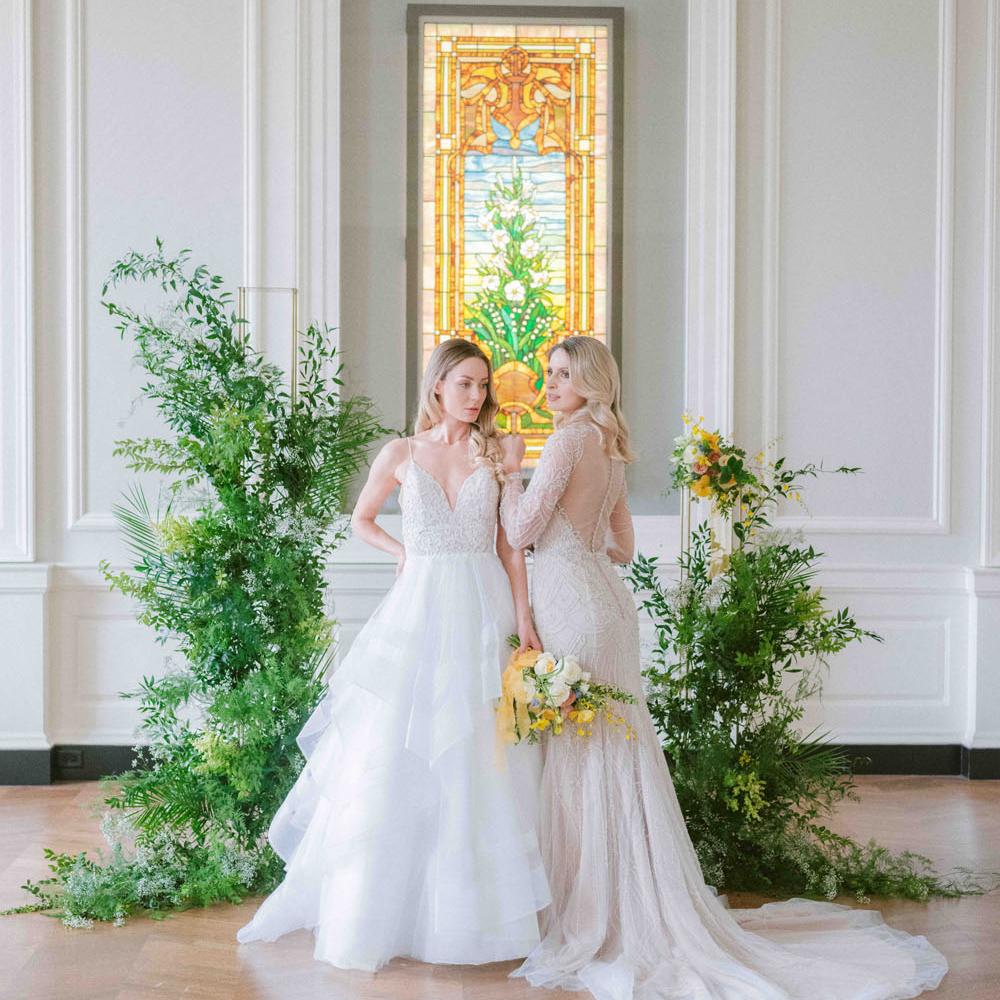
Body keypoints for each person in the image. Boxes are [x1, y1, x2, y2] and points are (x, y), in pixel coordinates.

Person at [499, 335, 947, 1000]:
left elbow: (520, 531)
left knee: (582, 752)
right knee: (622, 750)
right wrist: (583, 540)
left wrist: (511, 474)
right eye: (550, 373)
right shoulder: (612, 446)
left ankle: (588, 912)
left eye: (563, 374)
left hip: (571, 603)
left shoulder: (565, 443)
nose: (551, 384)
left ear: (592, 380)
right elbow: (621, 546)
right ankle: (632, 899)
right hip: (610, 607)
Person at [237, 338, 550, 971]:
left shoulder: (495, 456)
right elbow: (361, 518)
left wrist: (524, 619)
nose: (476, 395)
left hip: (483, 606)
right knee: (397, 748)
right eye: (465, 383)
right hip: (419, 606)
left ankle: (475, 917)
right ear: (437, 385)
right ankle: (383, 910)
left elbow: (512, 546)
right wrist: (400, 553)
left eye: (483, 385)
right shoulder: (401, 453)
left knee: (478, 754)